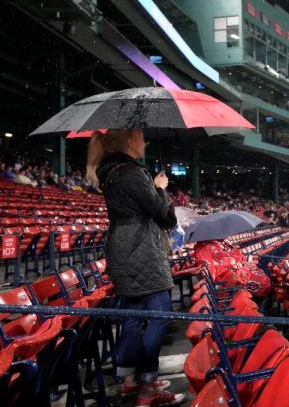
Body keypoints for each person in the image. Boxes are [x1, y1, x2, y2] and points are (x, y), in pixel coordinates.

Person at [86, 129, 184, 407]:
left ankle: (129, 382)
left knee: (133, 315)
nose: (146, 142)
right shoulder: (130, 172)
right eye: (141, 138)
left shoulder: (111, 171)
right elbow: (163, 216)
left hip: (121, 248)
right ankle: (146, 387)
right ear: (130, 141)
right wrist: (161, 188)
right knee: (160, 313)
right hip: (141, 249)